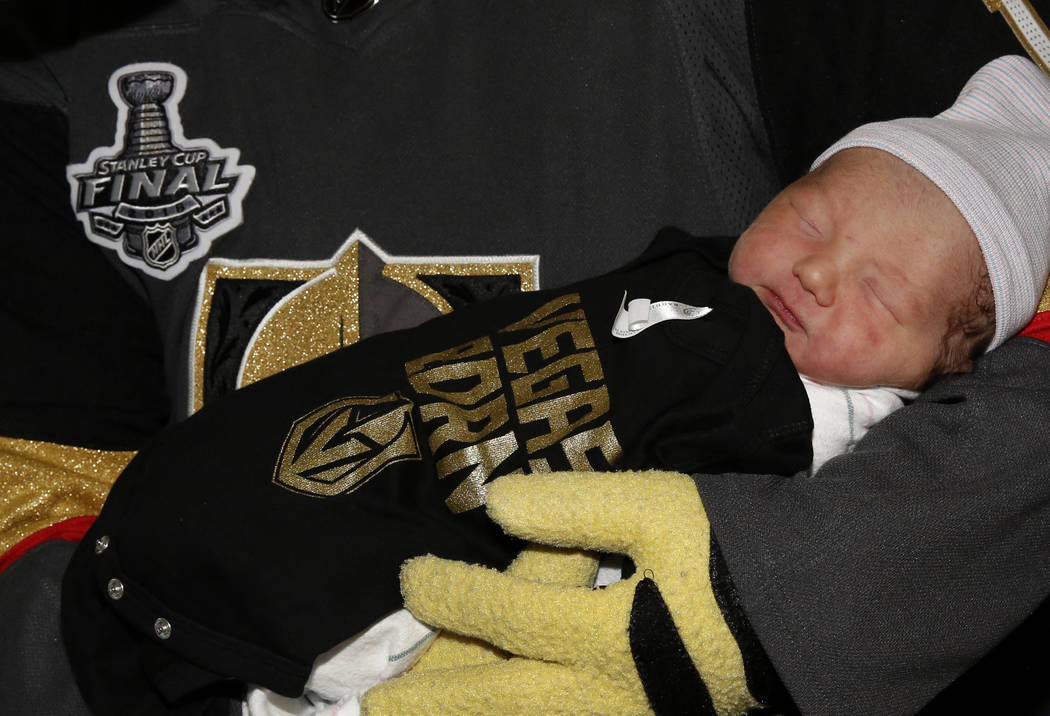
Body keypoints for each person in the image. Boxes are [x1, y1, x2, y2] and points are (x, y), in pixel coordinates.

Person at [2, 2, 1049, 715]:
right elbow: (36, 536)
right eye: (812, 226)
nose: (822, 272)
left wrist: (772, 603)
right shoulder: (48, 83)